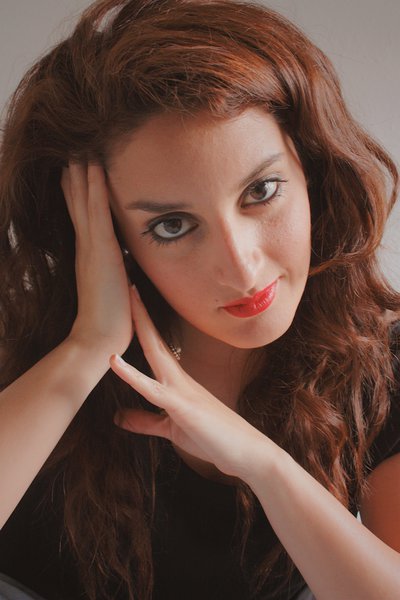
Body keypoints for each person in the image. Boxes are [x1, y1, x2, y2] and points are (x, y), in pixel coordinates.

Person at [0, 0, 399, 598]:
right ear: (111, 235)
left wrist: (262, 464)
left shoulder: (383, 362)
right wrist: (86, 349)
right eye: (173, 226)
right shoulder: (25, 340)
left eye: (262, 191)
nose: (241, 266)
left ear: (312, 169)